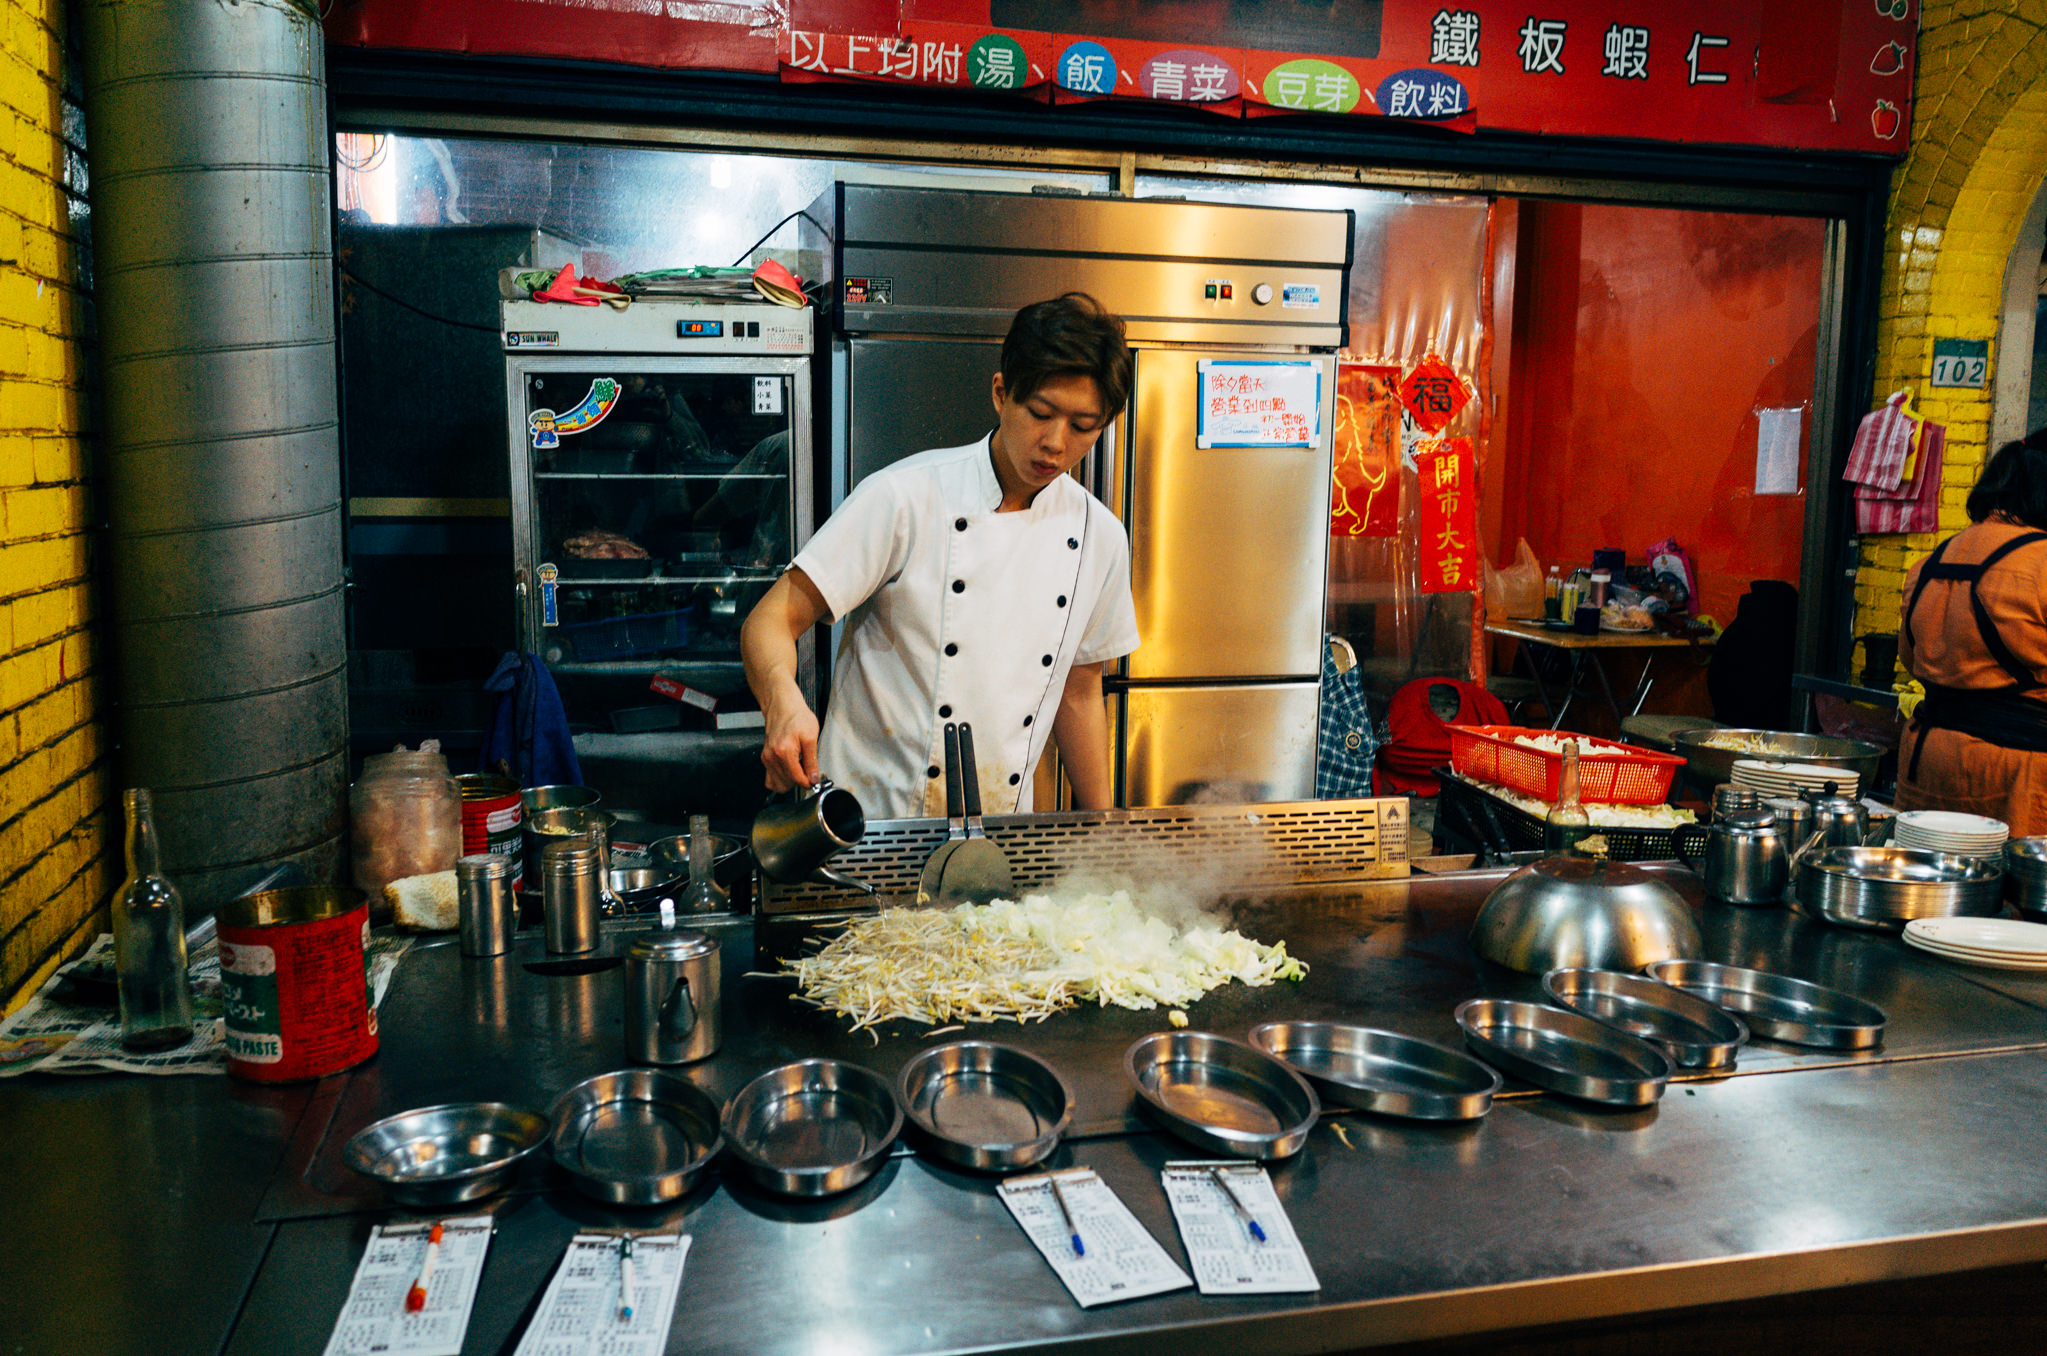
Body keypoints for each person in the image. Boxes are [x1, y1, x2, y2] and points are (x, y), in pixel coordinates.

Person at [741, 292, 1140, 819]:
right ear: (1002, 393)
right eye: (1040, 413)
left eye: (1083, 426)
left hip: (1000, 837)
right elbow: (770, 620)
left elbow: (1080, 693)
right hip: (871, 824)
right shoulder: (907, 496)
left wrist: (1103, 829)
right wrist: (782, 702)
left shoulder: (1100, 537)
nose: (1055, 443)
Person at [1894, 429, 2047, 836]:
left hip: (1930, 759)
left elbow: (1911, 659)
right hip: (2016, 774)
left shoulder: (1931, 562)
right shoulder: (2042, 564)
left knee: (1931, 886)